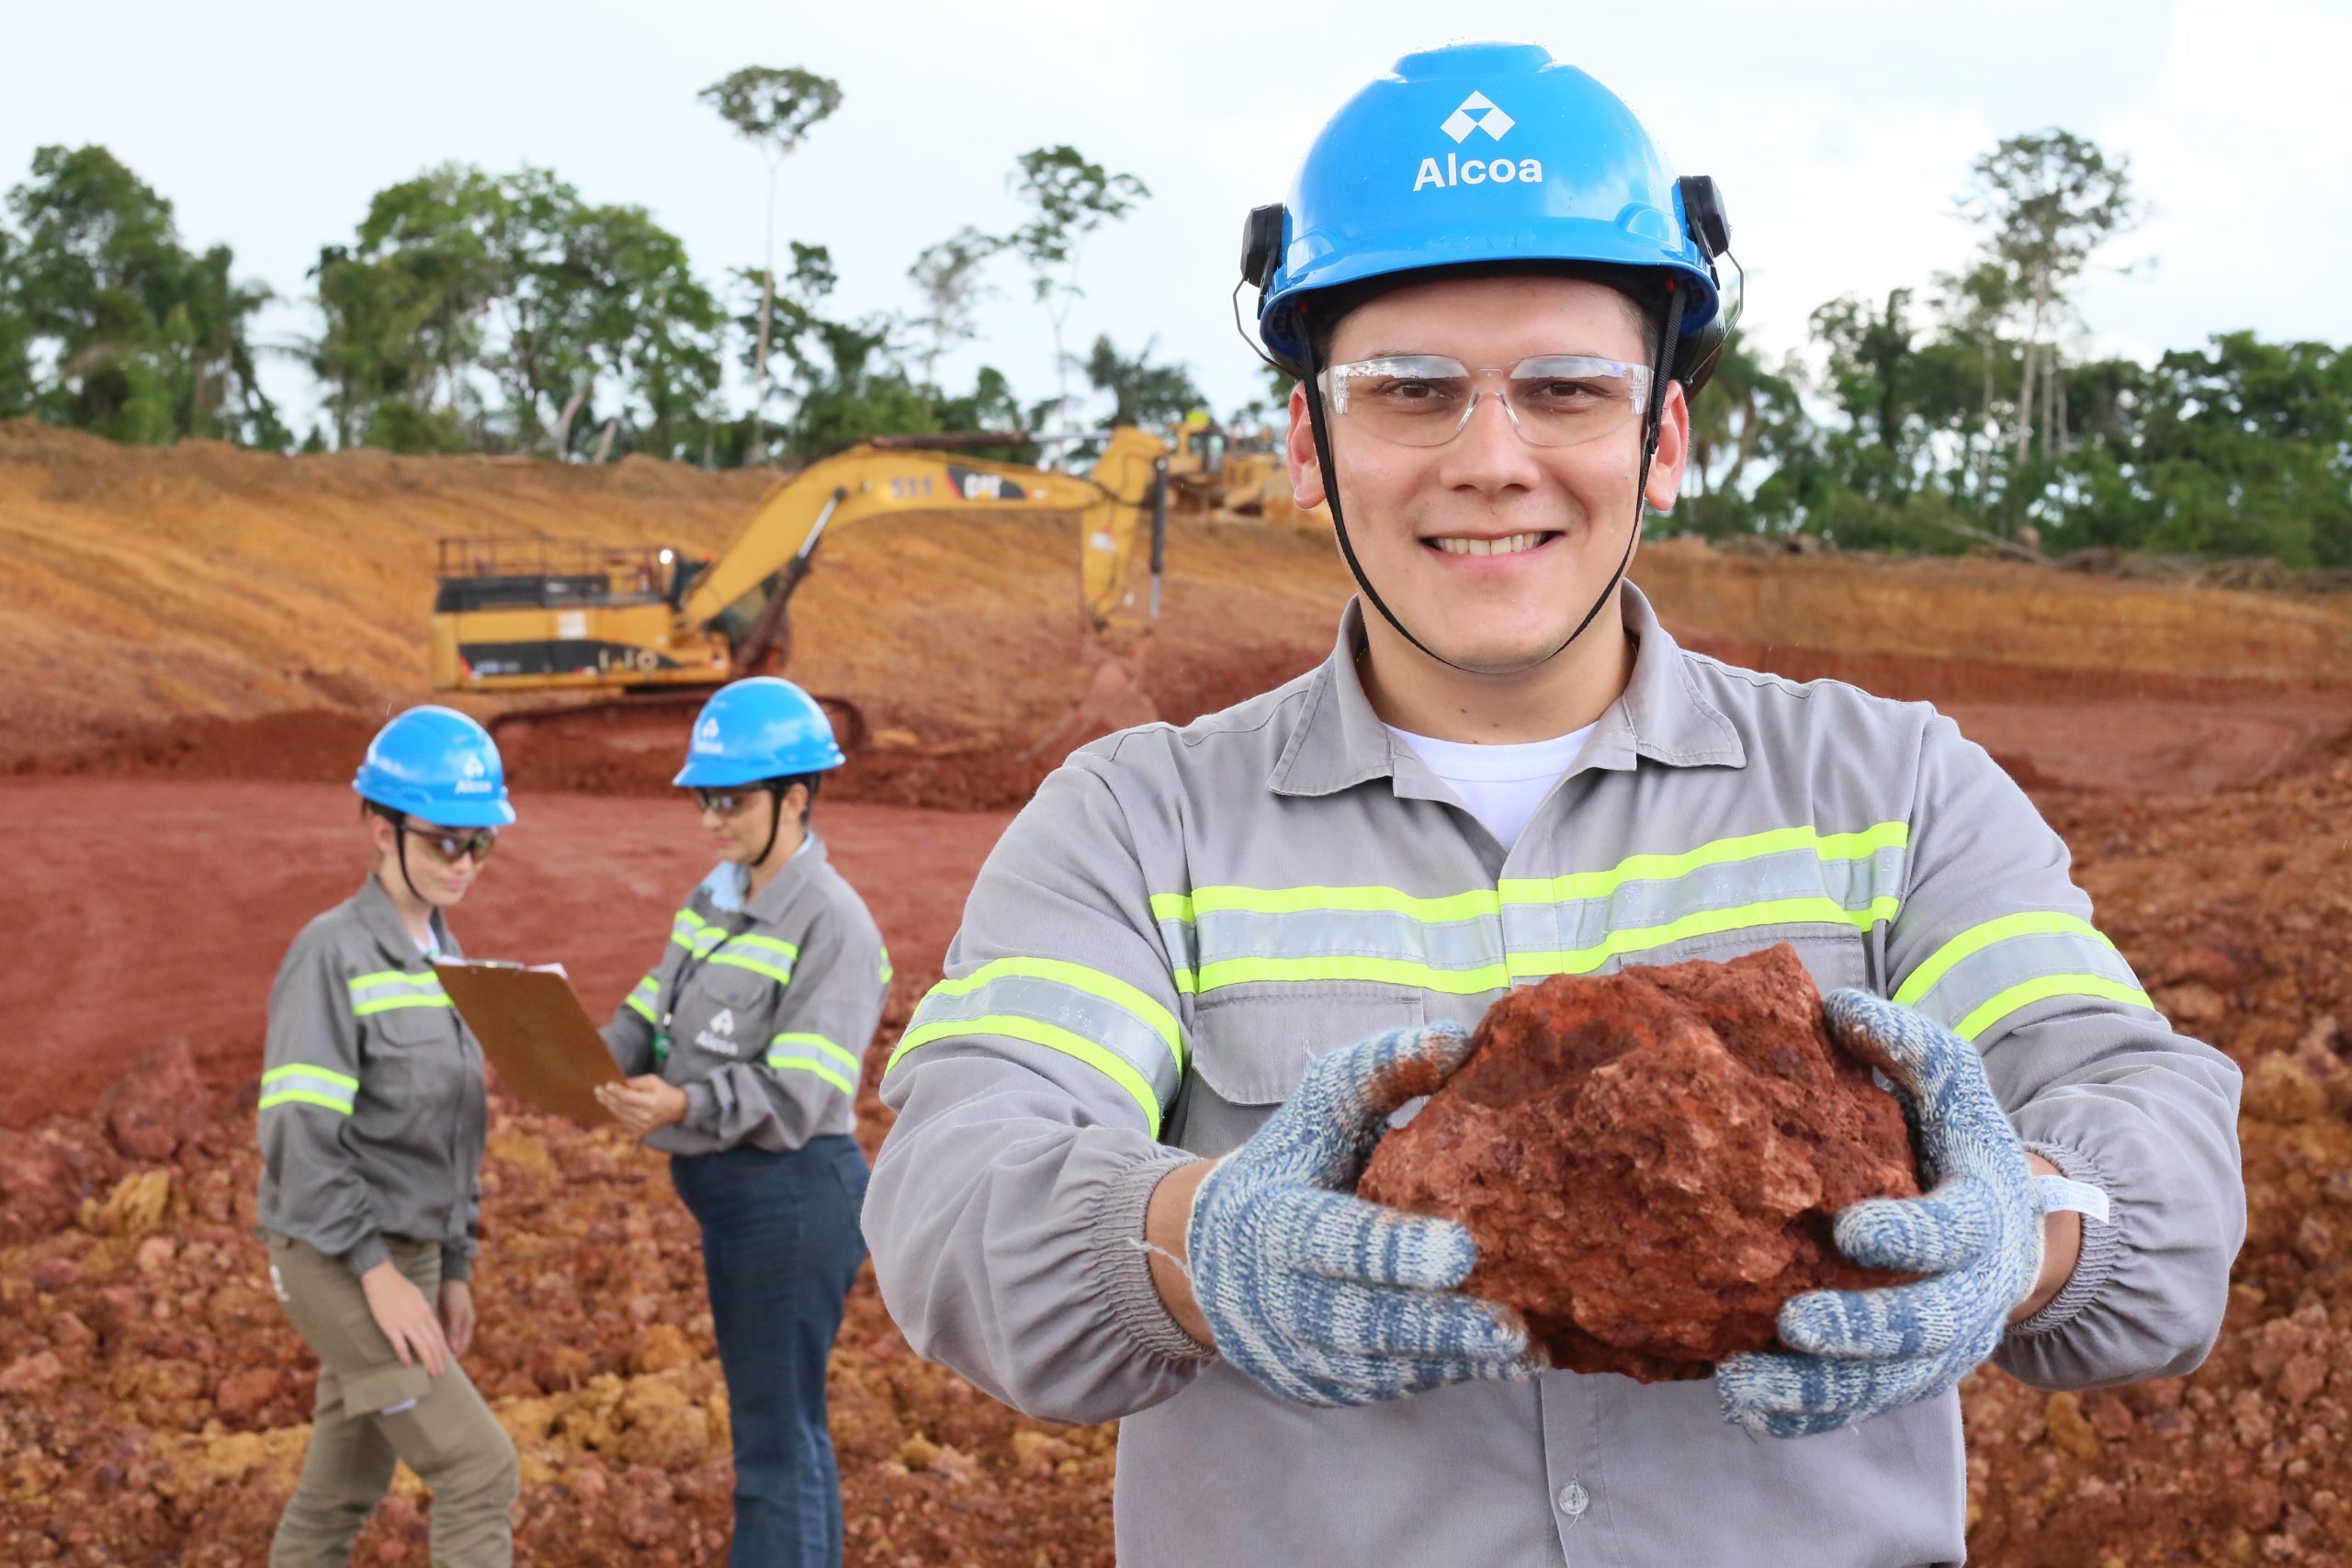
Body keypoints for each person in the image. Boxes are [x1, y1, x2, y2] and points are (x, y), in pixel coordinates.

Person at [862, 42, 2246, 1568]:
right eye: (1413, 394)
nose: (1491, 461)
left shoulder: (1892, 789)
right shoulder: (1139, 823)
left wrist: (2026, 1230)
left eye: (1565, 391)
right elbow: (955, 1183)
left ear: (1663, 439)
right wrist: (1203, 1248)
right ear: (1311, 447)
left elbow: (2155, 1151)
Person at [594, 677, 887, 1568]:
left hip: (792, 1201)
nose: (711, 818)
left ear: (794, 799)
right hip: (739, 1200)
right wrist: (591, 1051)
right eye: (702, 798)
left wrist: (684, 1105)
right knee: (785, 1429)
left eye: (729, 799)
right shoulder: (715, 895)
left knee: (773, 1441)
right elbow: (657, 1002)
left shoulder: (833, 923)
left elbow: (800, 1090)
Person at [257, 705, 519, 1568]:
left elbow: (453, 1134)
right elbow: (300, 1137)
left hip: (406, 1254)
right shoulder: (330, 954)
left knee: (340, 1493)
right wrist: (378, 1276)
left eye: (479, 844)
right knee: (479, 1467)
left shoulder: (447, 959)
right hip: (334, 1252)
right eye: (446, 841)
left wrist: (449, 1266)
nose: (464, 863)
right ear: (381, 825)